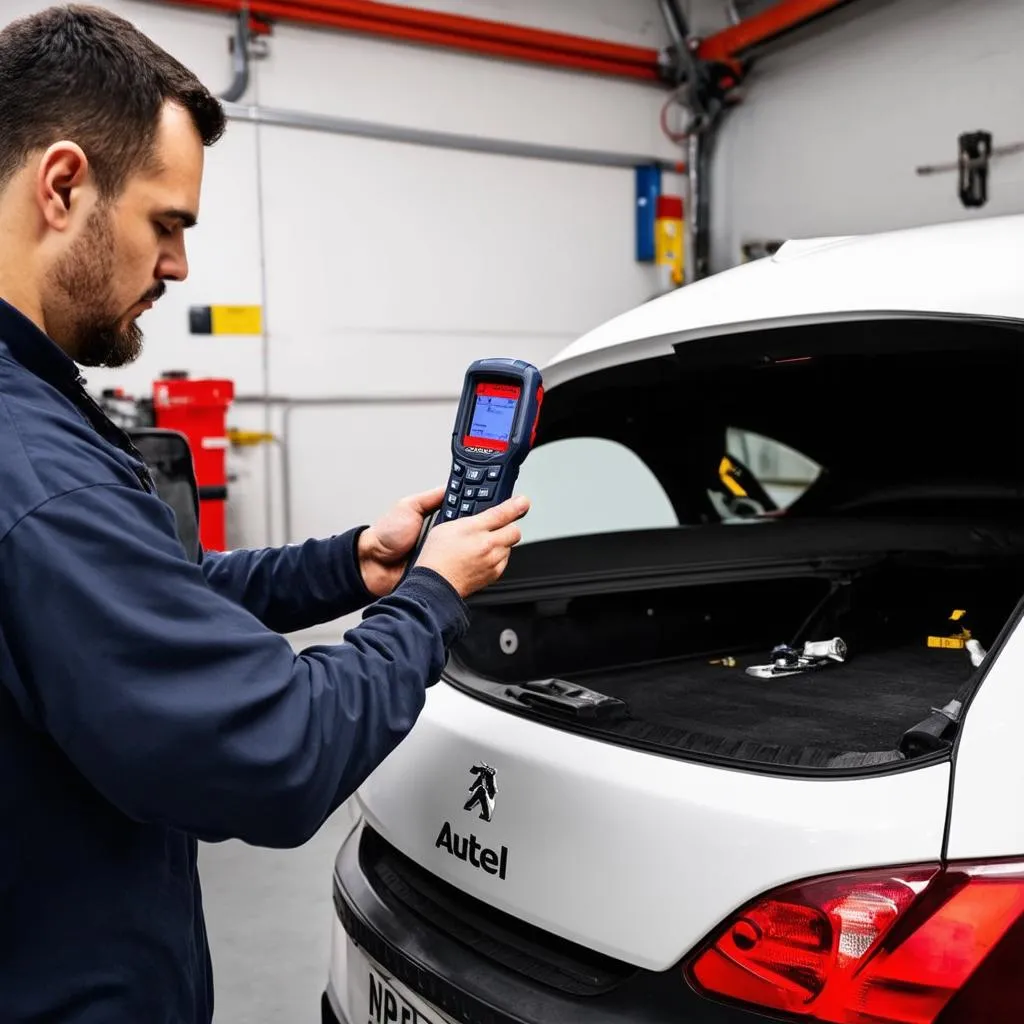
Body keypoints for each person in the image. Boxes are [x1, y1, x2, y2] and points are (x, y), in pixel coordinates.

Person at [0, 6, 530, 1023]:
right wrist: (427, 601)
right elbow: (276, 749)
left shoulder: (37, 408)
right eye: (169, 223)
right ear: (63, 185)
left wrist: (349, 566)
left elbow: (144, 598)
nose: (179, 267)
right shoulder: (33, 466)